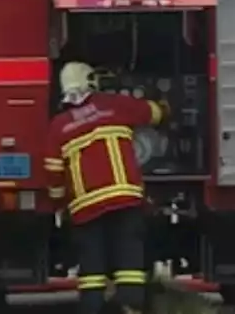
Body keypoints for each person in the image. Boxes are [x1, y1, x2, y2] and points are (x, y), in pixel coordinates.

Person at [44, 62, 167, 314]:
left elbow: (53, 173)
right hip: (125, 200)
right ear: (90, 81)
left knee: (91, 268)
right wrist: (167, 105)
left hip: (86, 208)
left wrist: (58, 204)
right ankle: (131, 306)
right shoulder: (113, 104)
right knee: (129, 260)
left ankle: (92, 308)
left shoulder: (58, 126)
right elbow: (152, 113)